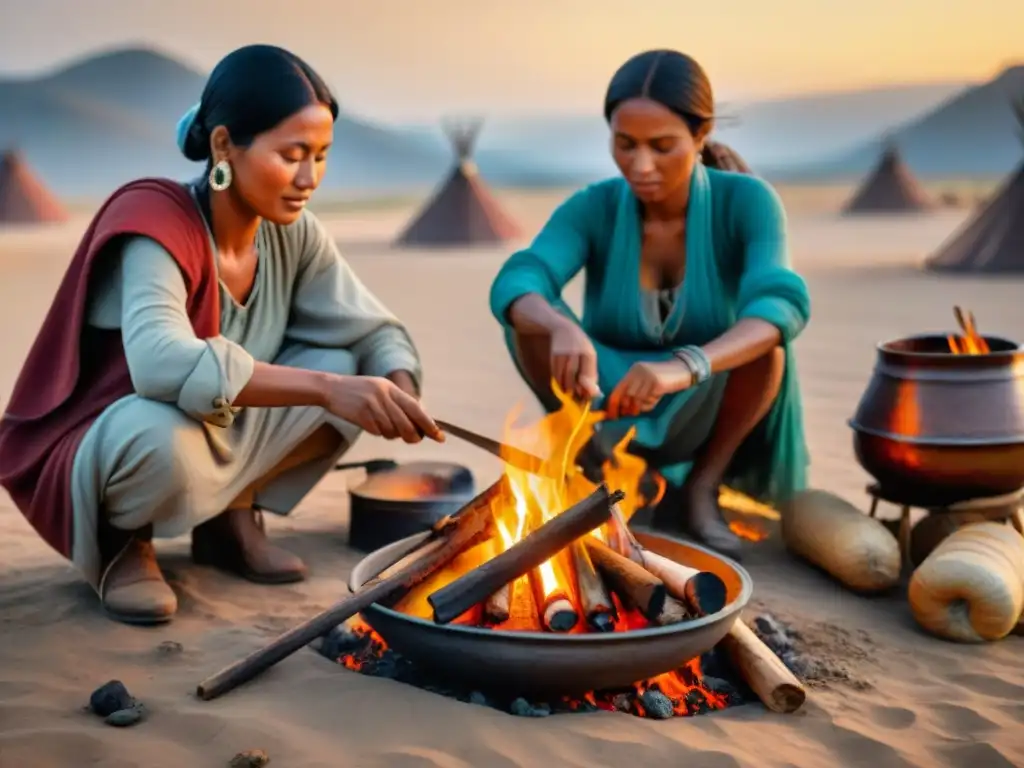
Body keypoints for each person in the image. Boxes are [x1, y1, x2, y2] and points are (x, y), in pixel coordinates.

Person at [0, 45, 445, 626]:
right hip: (119, 438)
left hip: (217, 428)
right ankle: (121, 544)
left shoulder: (294, 234)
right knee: (160, 434)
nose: (309, 178)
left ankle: (230, 518)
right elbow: (160, 366)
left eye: (321, 155)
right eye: (291, 155)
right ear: (223, 146)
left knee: (348, 363)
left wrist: (395, 387)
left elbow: (372, 329)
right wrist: (328, 387)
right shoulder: (156, 222)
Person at [488, 49, 811, 558]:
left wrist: (685, 366)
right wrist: (560, 326)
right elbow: (520, 277)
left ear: (699, 137)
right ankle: (592, 465)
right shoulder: (593, 206)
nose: (640, 166)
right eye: (625, 145)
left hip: (701, 392)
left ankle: (702, 488)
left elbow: (780, 306)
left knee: (766, 349)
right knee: (527, 322)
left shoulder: (747, 202)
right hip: (607, 390)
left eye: (662, 147)